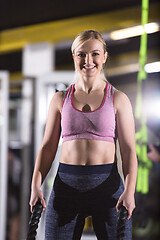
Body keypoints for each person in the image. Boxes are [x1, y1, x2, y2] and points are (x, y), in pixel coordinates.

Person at [29, 30, 137, 240]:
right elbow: (47, 148)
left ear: (104, 57)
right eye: (82, 54)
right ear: (74, 57)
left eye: (95, 54)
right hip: (66, 188)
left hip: (108, 189)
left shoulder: (118, 99)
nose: (88, 60)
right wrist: (35, 185)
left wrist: (130, 191)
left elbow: (129, 150)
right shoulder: (60, 99)